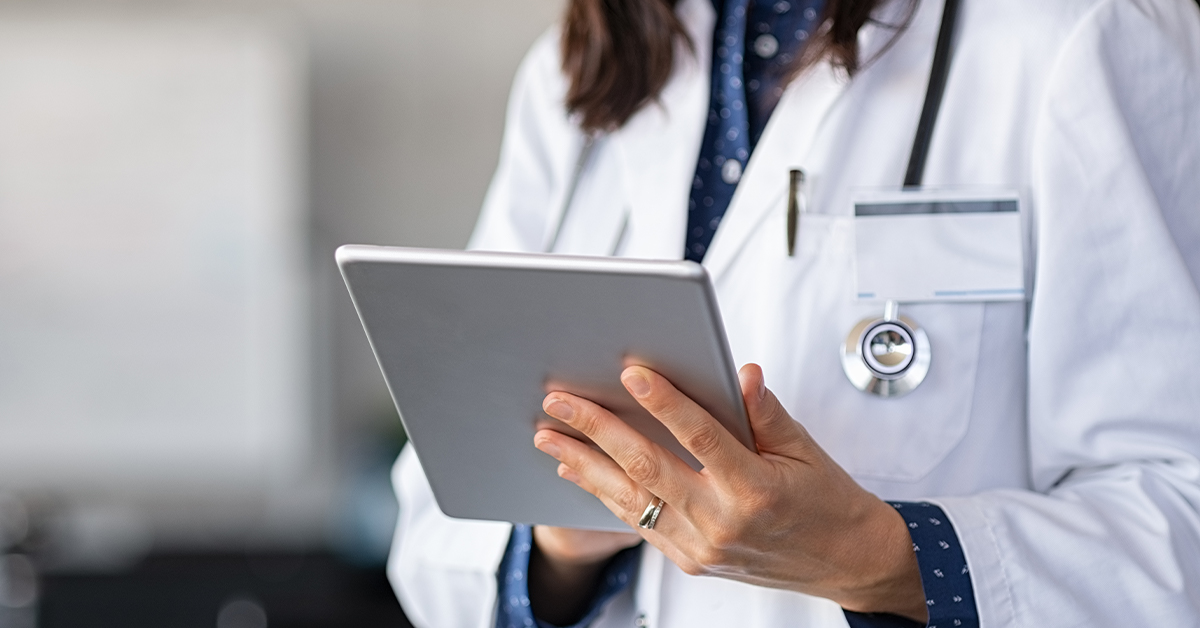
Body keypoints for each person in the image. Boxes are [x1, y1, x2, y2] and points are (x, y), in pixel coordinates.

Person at [387, 0, 1200, 626]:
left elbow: (1180, 515)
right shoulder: (581, 67)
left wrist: (880, 558)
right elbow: (437, 524)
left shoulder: (1084, 30)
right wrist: (563, 540)